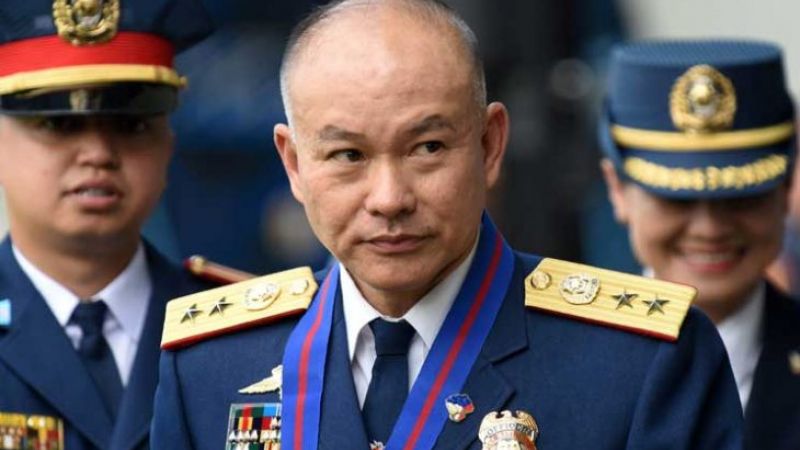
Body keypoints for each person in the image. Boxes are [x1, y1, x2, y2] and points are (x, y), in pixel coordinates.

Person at [151, 1, 743, 448]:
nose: (389, 198)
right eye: (348, 155)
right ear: (295, 164)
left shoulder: (638, 365)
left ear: (490, 145)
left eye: (428, 148)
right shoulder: (209, 366)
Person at [0, 1, 213, 449]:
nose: (98, 153)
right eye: (59, 124)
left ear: (168, 144)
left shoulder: (245, 332)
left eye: (131, 125)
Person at [599, 40, 800, 450]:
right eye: (677, 198)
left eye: (742, 196)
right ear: (617, 189)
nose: (710, 229)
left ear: (786, 190)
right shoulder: (560, 364)